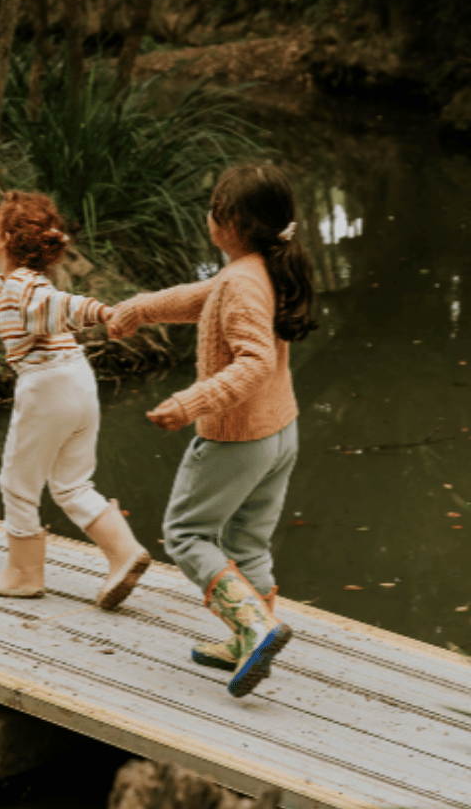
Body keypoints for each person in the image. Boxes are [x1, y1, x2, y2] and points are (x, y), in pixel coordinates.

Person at [107, 163, 317, 699]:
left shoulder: (244, 280)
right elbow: (202, 296)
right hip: (279, 433)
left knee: (186, 533)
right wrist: (138, 310)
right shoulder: (258, 268)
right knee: (247, 538)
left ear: (227, 221)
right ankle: (247, 637)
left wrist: (191, 402)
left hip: (239, 437)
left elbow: (254, 362)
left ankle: (254, 627)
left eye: (213, 209)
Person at [0, 191, 150, 608]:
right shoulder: (7, 288)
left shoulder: (23, 292)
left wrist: (104, 313)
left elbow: (61, 305)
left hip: (47, 387)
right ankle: (125, 554)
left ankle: (23, 574)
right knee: (72, 485)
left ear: (3, 237)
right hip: (79, 381)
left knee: (17, 483)